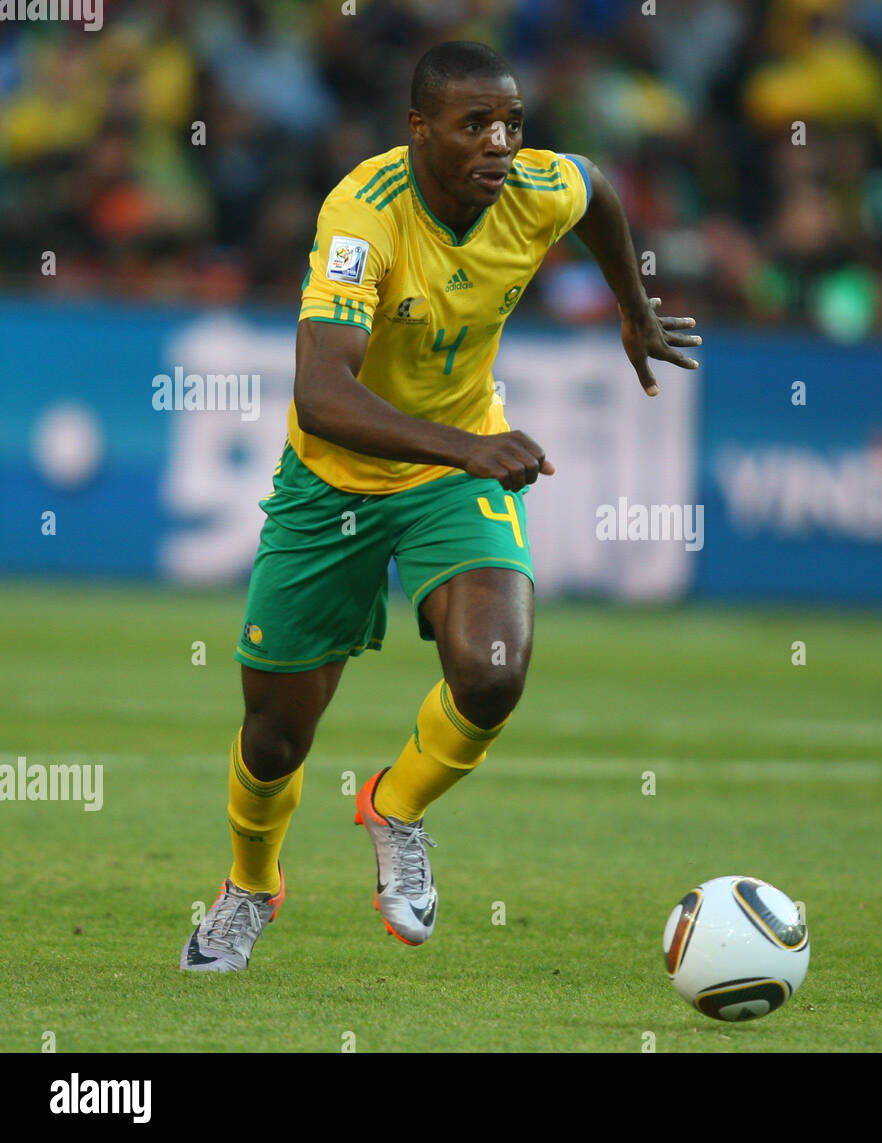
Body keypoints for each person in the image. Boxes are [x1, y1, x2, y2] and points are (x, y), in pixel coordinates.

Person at [181, 40, 701, 971]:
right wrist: (473, 446)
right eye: (474, 125)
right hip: (333, 480)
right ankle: (250, 884)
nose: (499, 143)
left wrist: (634, 307)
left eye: (511, 123)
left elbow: (600, 194)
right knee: (275, 735)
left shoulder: (539, 186)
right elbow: (321, 395)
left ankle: (395, 804)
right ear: (420, 130)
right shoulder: (361, 215)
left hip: (451, 478)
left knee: (495, 669)